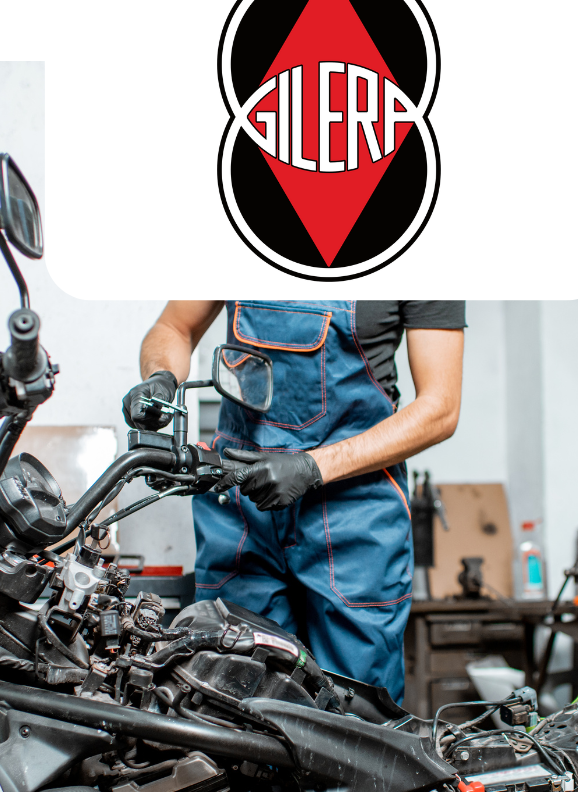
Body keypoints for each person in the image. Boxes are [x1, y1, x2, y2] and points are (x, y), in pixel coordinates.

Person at [122, 301, 465, 702]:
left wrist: (311, 467)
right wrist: (161, 376)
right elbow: (174, 328)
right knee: (232, 696)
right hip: (243, 506)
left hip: (353, 516)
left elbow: (440, 408)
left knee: (355, 716)